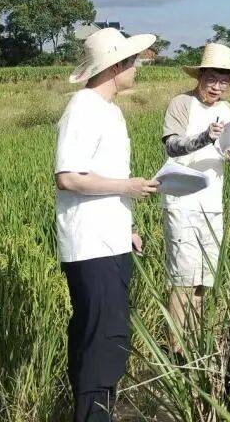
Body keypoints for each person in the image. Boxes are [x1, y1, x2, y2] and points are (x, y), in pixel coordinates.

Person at [54, 26, 159, 422]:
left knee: (105, 339)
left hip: (110, 240)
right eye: (133, 62)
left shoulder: (109, 110)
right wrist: (128, 186)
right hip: (90, 247)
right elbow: (69, 177)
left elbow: (100, 176)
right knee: (102, 343)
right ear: (116, 66)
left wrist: (125, 227)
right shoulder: (82, 108)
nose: (137, 69)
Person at [159, 42, 230, 354]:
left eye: (224, 81)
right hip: (182, 201)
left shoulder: (226, 110)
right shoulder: (181, 104)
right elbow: (171, 147)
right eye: (212, 79)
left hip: (212, 203)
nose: (217, 87)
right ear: (200, 76)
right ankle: (174, 351)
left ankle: (193, 344)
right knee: (182, 279)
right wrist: (204, 137)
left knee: (202, 282)